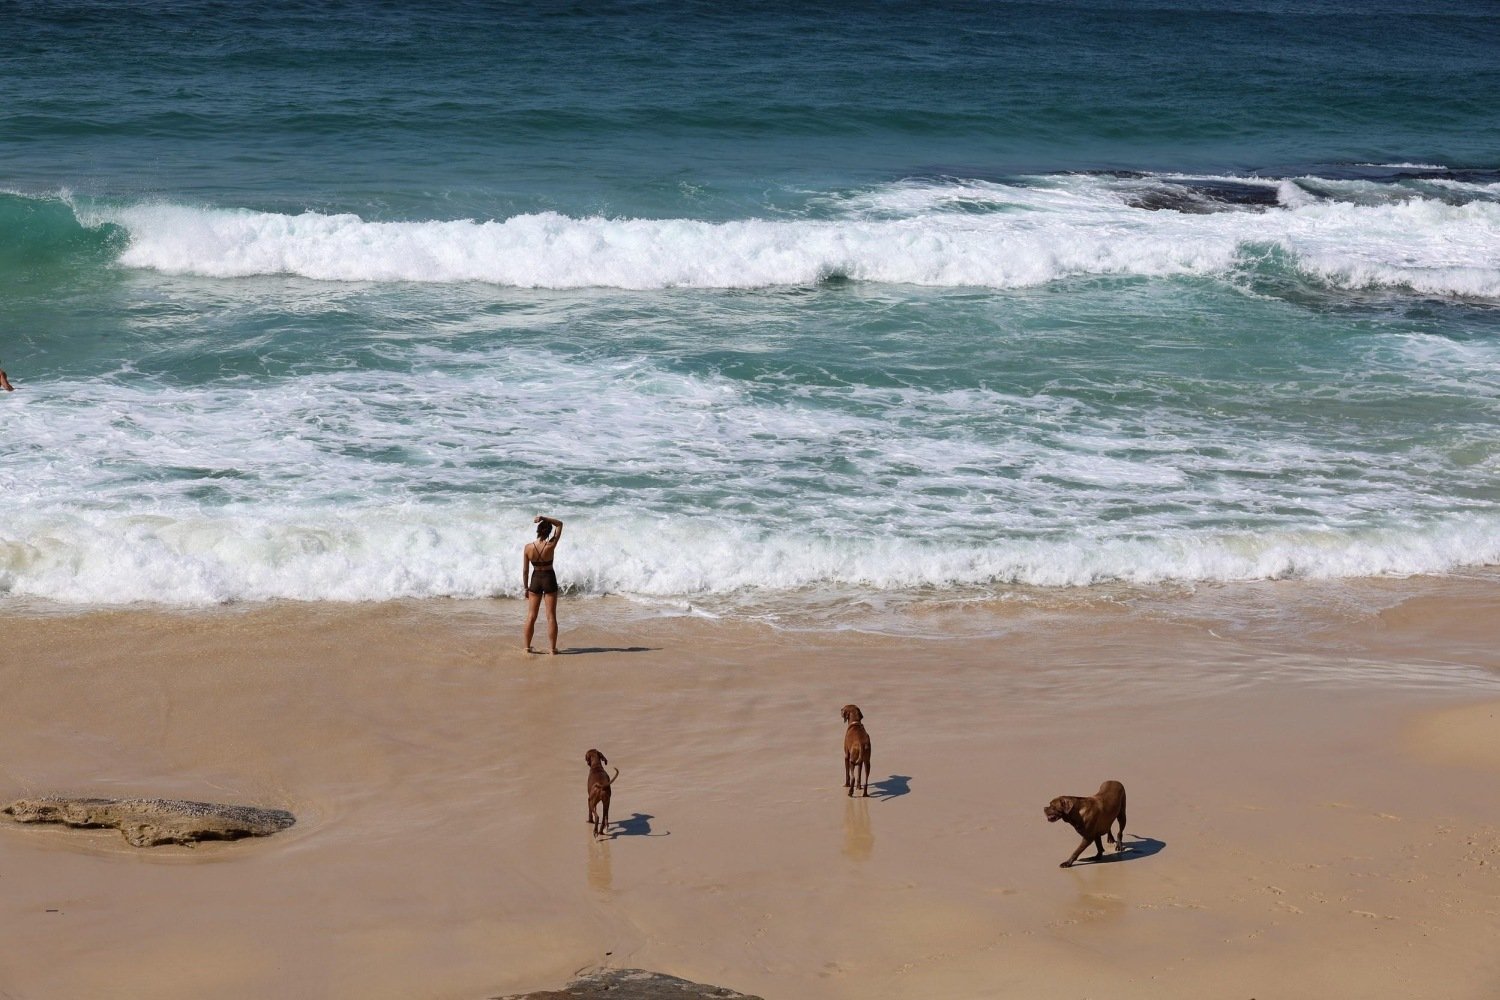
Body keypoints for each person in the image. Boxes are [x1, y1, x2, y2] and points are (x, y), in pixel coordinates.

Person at [523, 514, 564, 654]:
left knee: (531, 616)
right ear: (548, 533)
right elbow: (560, 524)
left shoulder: (528, 548)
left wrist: (525, 587)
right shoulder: (551, 545)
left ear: (538, 531)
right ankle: (552, 649)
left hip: (535, 580)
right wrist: (543, 517)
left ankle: (527, 647)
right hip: (549, 578)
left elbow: (525, 571)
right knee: (551, 616)